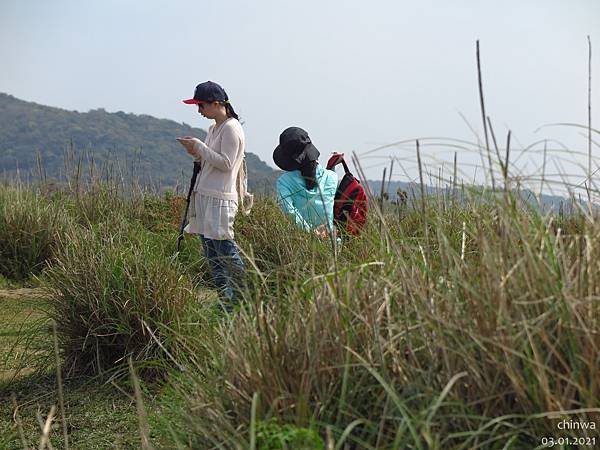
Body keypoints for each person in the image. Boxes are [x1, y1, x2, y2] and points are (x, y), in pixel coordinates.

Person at [176, 81, 246, 311]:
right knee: (213, 257)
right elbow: (209, 162)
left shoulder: (231, 128)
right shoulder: (214, 128)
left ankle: (244, 299)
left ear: (216, 104)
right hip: (207, 197)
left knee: (226, 252)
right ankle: (226, 303)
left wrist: (198, 146)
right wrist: (196, 152)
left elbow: (226, 163)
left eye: (201, 105)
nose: (199, 111)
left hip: (221, 199)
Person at [273, 127, 338, 238]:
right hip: (331, 244)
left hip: (299, 243)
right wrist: (332, 168)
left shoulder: (284, 182)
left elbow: (289, 212)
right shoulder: (332, 177)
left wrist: (311, 234)